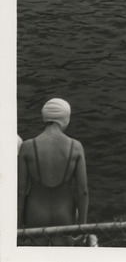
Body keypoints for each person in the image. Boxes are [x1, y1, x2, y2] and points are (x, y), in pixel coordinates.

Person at [18, 99, 89, 245]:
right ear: (65, 119)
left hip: (35, 213)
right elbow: (83, 191)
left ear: (44, 118)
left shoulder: (27, 147)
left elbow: (20, 191)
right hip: (64, 213)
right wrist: (83, 227)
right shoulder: (75, 147)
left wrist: (17, 226)